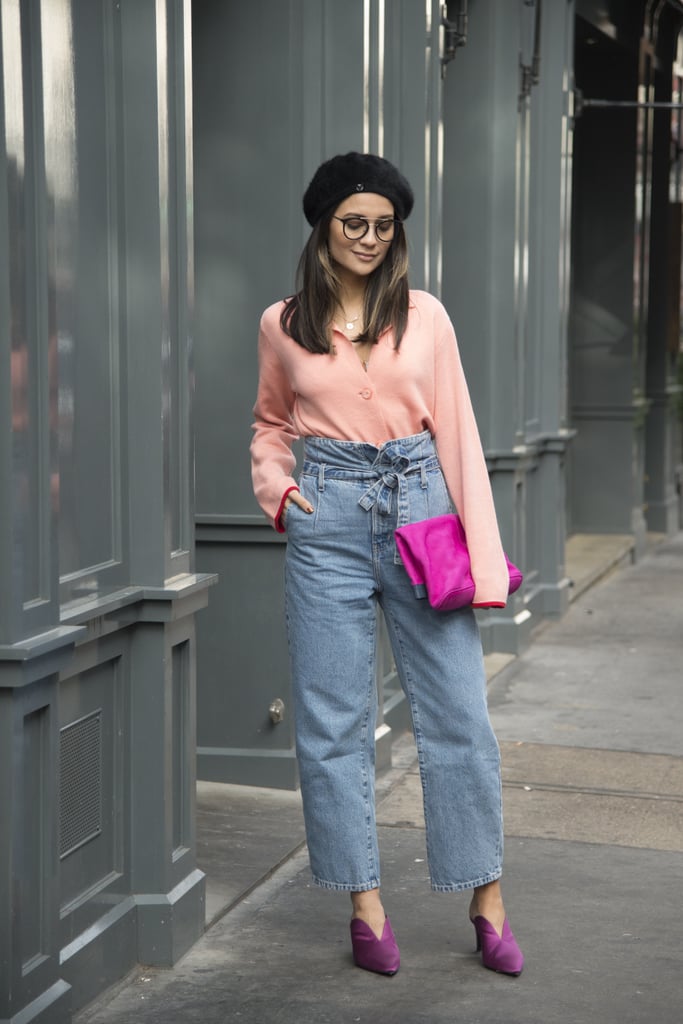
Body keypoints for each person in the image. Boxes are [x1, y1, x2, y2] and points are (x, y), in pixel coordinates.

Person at [250, 152, 524, 978]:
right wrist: (277, 487)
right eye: (352, 223)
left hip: (420, 508)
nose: (370, 238)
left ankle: (487, 895)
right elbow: (268, 424)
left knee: (459, 720)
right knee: (332, 723)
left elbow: (460, 440)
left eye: (383, 224)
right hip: (325, 518)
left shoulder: (426, 317)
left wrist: (481, 559)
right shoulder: (282, 322)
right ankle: (362, 904)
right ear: (323, 228)